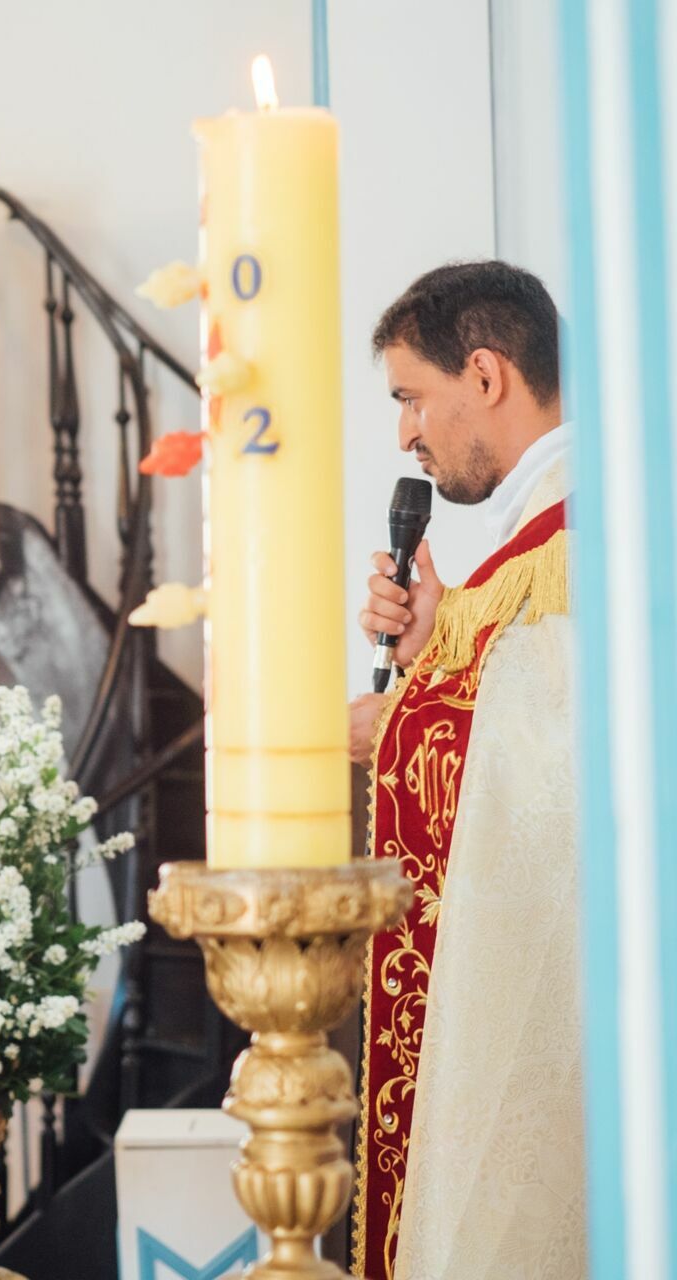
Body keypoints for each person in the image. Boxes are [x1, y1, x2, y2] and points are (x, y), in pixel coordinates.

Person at [346, 262, 584, 1279]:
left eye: (411, 396)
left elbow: (574, 749)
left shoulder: (600, 538)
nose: (406, 433)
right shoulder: (533, 549)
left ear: (484, 374)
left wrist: (398, 724)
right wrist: (440, 642)